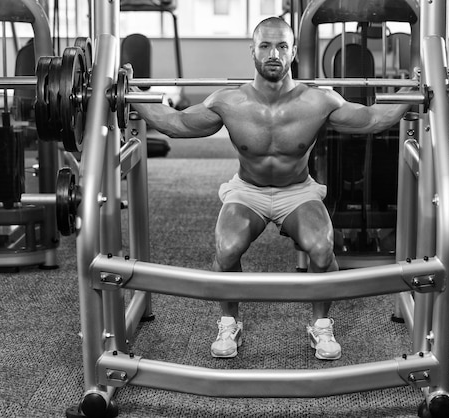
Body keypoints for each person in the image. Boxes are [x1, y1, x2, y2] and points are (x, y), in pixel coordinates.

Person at [125, 16, 413, 361]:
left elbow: (372, 120)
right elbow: (175, 124)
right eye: (265, 45)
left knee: (322, 248)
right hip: (248, 191)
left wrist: (414, 91)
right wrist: (130, 93)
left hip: (298, 191)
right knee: (227, 247)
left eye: (281, 46)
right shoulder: (229, 103)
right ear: (252, 51)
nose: (273, 53)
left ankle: (321, 325)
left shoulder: (318, 102)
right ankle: (229, 321)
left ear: (293, 53)